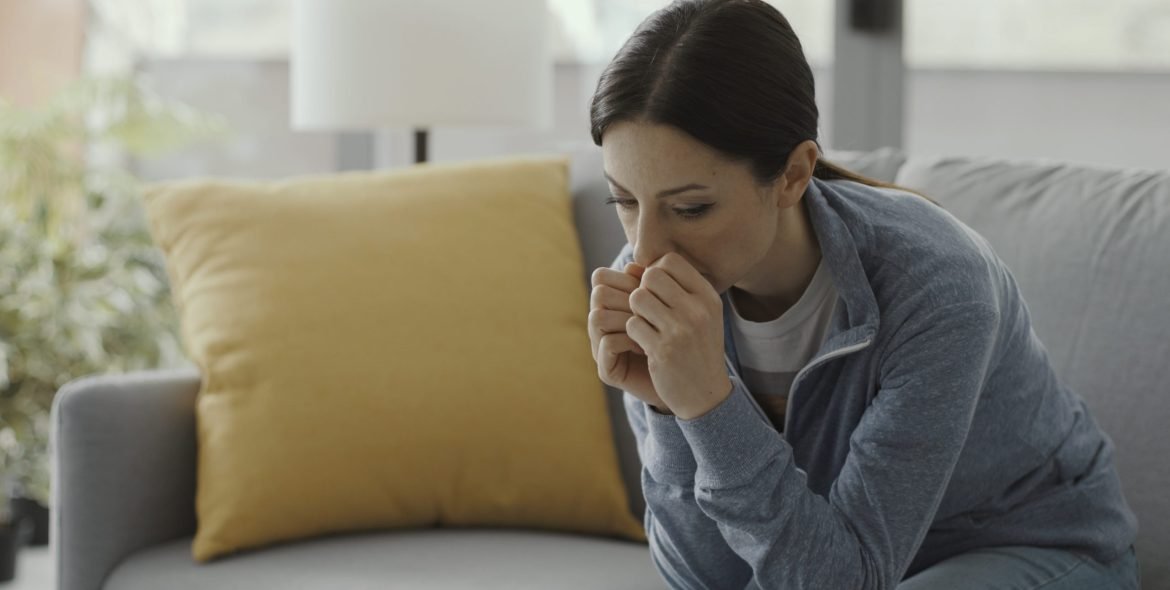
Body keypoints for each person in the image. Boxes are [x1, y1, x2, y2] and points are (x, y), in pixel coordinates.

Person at [584, 1, 1140, 588]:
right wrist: (672, 410)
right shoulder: (656, 289)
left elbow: (848, 580)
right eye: (622, 201)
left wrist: (710, 407)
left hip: (1031, 547)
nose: (645, 253)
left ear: (794, 174)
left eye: (691, 208)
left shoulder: (939, 285)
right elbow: (708, 581)